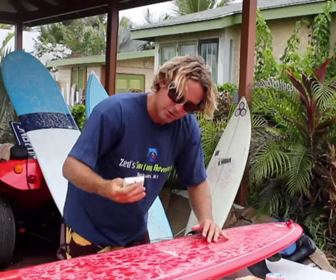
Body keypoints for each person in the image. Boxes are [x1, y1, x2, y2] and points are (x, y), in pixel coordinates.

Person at [61, 56, 228, 259]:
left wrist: (206, 219)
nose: (178, 108)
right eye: (175, 95)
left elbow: (196, 180)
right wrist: (105, 188)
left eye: (189, 107)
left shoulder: (186, 128)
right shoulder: (115, 112)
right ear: (162, 81)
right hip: (87, 230)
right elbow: (71, 167)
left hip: (133, 233)